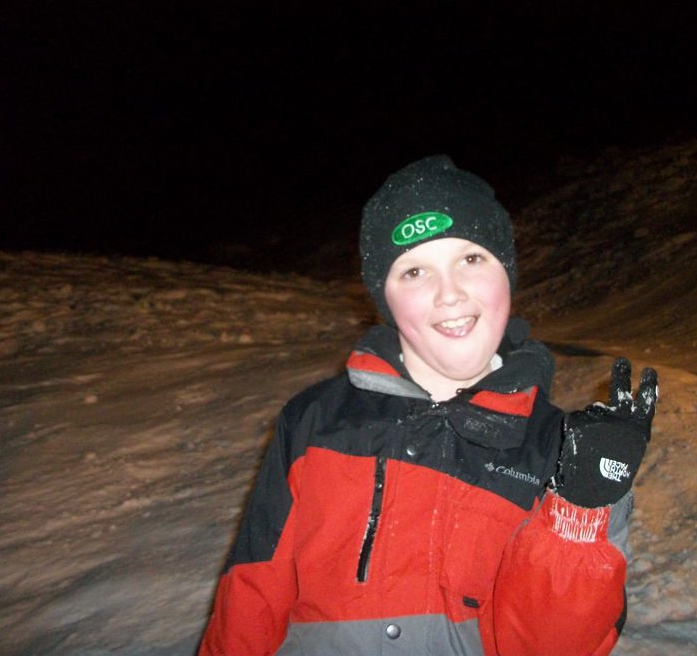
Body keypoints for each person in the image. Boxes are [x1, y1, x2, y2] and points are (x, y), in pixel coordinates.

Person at [197, 155, 658, 656]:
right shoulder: (315, 422)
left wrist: (581, 511)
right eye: (415, 270)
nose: (449, 294)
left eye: (472, 259)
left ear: (507, 275)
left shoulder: (557, 450)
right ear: (384, 297)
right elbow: (250, 600)